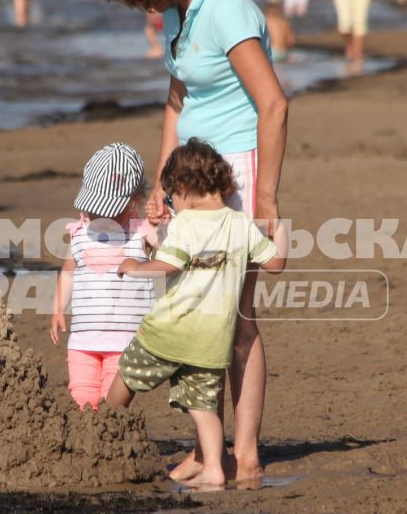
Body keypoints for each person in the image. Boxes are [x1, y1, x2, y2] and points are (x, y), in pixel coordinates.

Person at [92, 0, 290, 484]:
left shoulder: (226, 8)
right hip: (191, 177)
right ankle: (207, 450)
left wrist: (267, 199)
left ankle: (243, 455)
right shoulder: (179, 11)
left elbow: (273, 105)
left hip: (237, 177)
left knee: (235, 319)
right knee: (196, 313)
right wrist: (161, 182)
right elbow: (177, 101)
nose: (137, 7)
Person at [103, 140, 287, 487]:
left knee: (127, 375)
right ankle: (214, 469)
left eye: (172, 198)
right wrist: (279, 224)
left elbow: (168, 266)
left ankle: (100, 432)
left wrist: (135, 266)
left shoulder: (185, 225)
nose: (173, 205)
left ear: (185, 190)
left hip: (168, 331)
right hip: (213, 341)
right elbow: (276, 263)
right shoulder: (242, 224)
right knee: (204, 407)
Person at [51, 143, 157, 408]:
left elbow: (170, 253)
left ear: (135, 200)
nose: (100, 215)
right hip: (83, 338)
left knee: (112, 402)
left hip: (125, 339)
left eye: (110, 210)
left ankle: (109, 444)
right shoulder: (79, 233)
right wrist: (57, 309)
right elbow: (68, 273)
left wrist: (160, 218)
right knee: (81, 396)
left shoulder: (141, 231)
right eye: (96, 207)